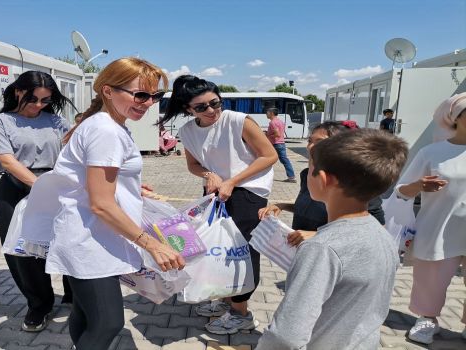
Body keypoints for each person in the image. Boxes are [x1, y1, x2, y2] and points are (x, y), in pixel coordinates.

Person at [22, 57, 185, 350]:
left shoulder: (107, 123)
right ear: (108, 91)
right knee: (108, 322)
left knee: (85, 313)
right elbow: (101, 204)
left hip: (88, 235)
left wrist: (131, 187)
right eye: (140, 94)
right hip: (91, 240)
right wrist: (153, 245)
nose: (148, 103)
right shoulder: (106, 130)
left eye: (154, 96)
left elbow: (93, 181)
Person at [257, 128, 409, 349]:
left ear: (325, 180)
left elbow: (285, 336)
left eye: (310, 170)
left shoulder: (320, 248)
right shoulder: (383, 237)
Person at [159, 75, 278, 334]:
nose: (212, 110)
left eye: (215, 102)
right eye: (201, 107)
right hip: (215, 195)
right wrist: (208, 175)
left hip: (248, 193)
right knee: (218, 249)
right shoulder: (188, 131)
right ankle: (227, 301)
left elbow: (269, 155)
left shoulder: (238, 121)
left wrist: (232, 181)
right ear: (188, 109)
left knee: (242, 251)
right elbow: (193, 165)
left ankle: (241, 312)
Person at [0, 71, 73, 332]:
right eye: (33, 99)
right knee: (21, 251)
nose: (38, 105)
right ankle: (39, 304)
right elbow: (8, 161)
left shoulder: (56, 121)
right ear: (18, 92)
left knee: (67, 239)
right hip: (16, 187)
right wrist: (39, 186)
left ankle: (74, 294)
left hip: (56, 185)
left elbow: (76, 149)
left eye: (45, 100)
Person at [398, 92, 466, 344]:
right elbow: (401, 190)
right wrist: (418, 185)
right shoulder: (432, 152)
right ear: (455, 118)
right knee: (431, 278)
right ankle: (428, 318)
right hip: (439, 227)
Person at [259, 121, 386, 246]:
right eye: (310, 141)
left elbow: (376, 229)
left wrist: (316, 235)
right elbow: (310, 208)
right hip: (300, 251)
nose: (310, 147)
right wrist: (282, 206)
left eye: (319, 142)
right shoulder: (307, 175)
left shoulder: (356, 183)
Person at [266, 108, 296, 182]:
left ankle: (262, 176)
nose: (266, 114)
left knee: (266, 158)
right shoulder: (280, 121)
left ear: (272, 113)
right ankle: (291, 177)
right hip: (281, 143)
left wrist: (268, 135)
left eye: (267, 112)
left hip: (275, 144)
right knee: (285, 160)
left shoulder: (272, 122)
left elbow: (277, 134)